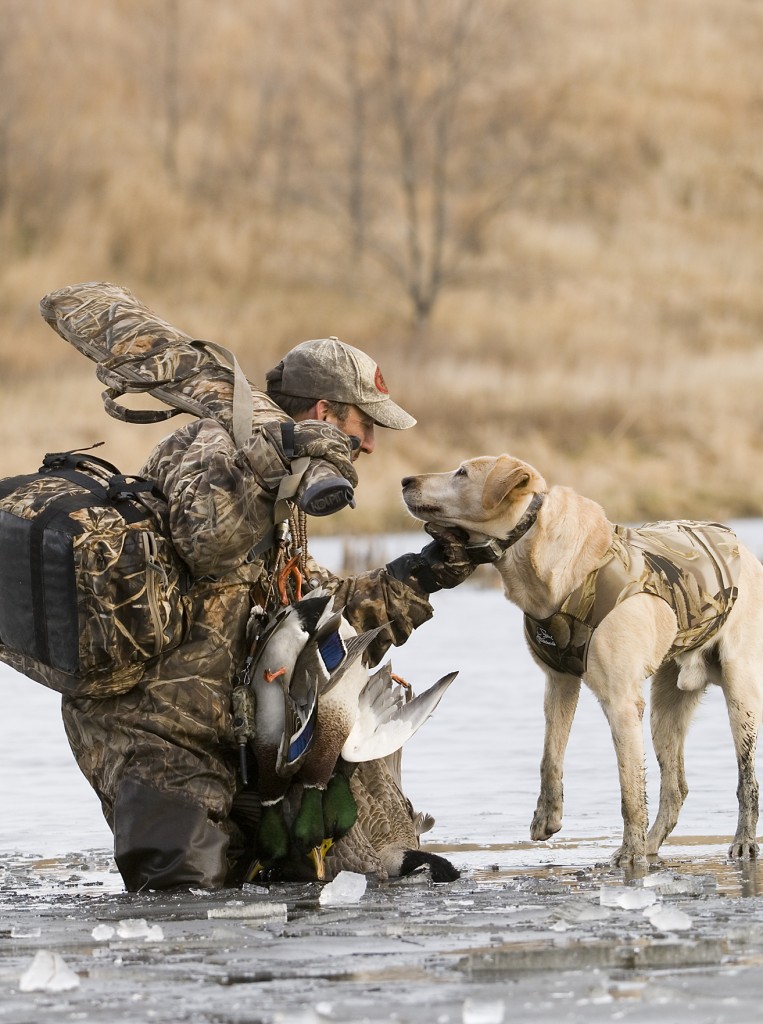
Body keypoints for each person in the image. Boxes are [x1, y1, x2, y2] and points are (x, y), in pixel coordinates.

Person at [61, 337, 476, 891]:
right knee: (181, 911)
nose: (370, 445)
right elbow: (206, 539)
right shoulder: (215, 448)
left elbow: (324, 613)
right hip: (155, 742)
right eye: (364, 425)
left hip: (234, 743)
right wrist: (274, 455)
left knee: (285, 890)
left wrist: (427, 572)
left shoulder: (281, 493)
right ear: (325, 413)